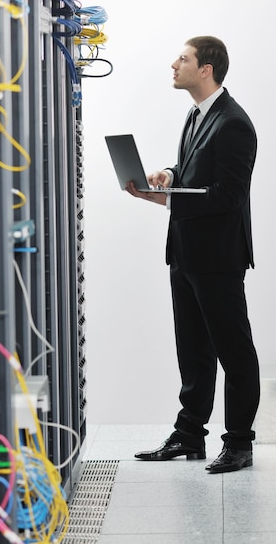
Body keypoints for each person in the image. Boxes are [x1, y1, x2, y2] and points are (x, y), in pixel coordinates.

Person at [125, 36, 260, 474]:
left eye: (183, 59)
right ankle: (189, 435)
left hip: (218, 258)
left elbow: (229, 195)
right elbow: (197, 174)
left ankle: (239, 443)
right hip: (185, 253)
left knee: (234, 353)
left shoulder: (235, 123)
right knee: (194, 351)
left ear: (206, 69)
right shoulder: (197, 115)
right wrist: (169, 174)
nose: (174, 64)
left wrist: (163, 200)